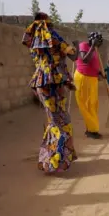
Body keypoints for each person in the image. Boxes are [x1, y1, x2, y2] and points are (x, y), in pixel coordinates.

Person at [21, 12, 77, 174]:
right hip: (55, 82)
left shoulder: (34, 42)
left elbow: (40, 61)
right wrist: (76, 46)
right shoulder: (53, 36)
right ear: (48, 23)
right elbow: (73, 54)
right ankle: (55, 161)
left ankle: (52, 158)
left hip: (40, 83)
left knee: (53, 120)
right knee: (61, 121)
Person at [74, 32, 105, 139]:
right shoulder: (84, 45)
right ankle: (92, 130)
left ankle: (91, 129)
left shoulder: (95, 50)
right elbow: (85, 60)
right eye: (97, 42)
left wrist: (99, 73)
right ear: (91, 40)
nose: (98, 45)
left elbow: (93, 64)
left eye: (99, 43)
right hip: (83, 78)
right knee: (86, 105)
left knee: (93, 104)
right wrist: (92, 46)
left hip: (92, 79)